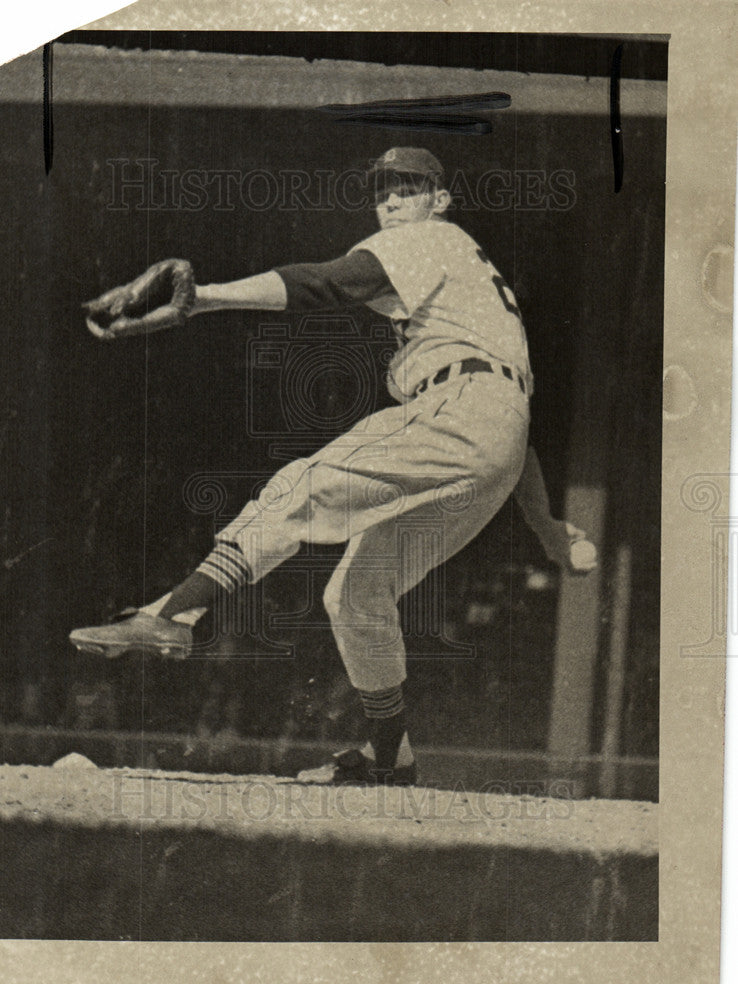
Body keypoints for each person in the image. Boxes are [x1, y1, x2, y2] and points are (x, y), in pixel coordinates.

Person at [70, 147, 596, 786]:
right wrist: (542, 524)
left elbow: (326, 283)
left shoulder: (430, 239)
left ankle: (176, 614)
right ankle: (389, 755)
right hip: (491, 442)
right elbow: (509, 421)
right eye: (383, 190)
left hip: (460, 411)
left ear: (440, 199)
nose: (393, 199)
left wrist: (203, 297)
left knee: (303, 484)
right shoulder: (472, 291)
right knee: (356, 595)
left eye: (410, 185)